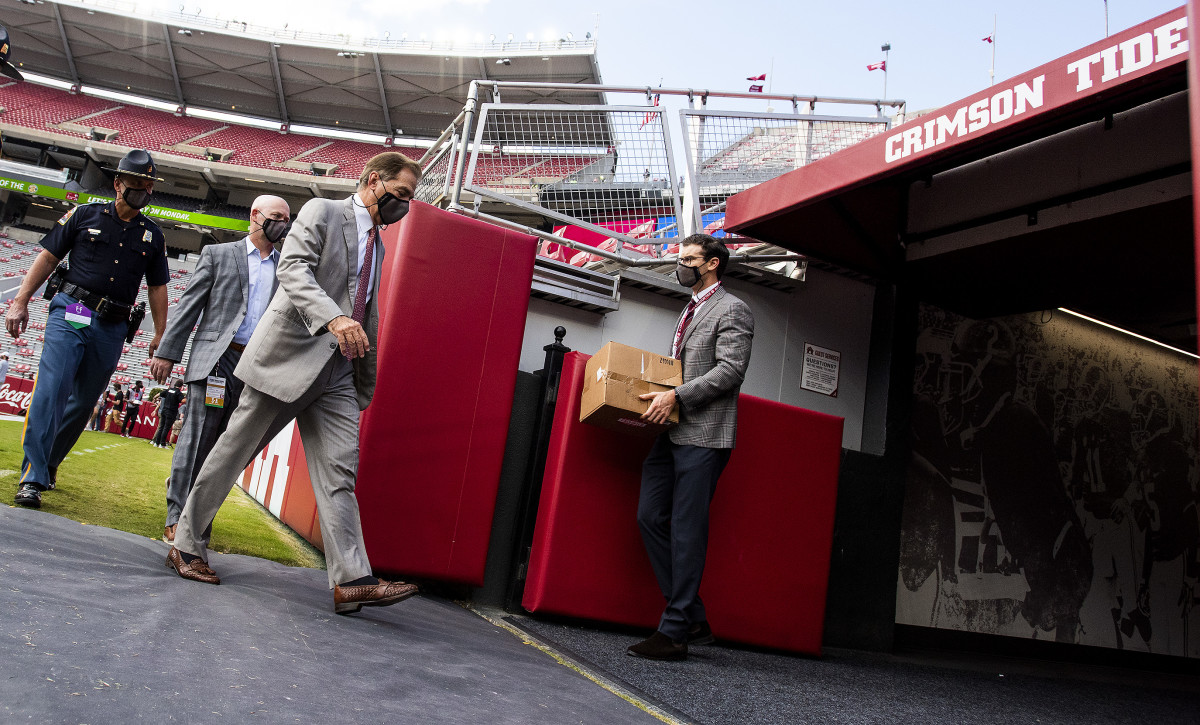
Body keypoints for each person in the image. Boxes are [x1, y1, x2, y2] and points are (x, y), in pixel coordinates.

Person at [165, 152, 421, 614]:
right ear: (372, 181)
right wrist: (335, 318)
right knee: (232, 453)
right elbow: (293, 269)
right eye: (400, 194)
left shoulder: (378, 243)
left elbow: (367, 308)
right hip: (286, 360)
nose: (404, 206)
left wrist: (357, 353)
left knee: (339, 473)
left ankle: (352, 579)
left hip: (339, 371)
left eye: (410, 199)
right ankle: (185, 544)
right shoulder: (323, 211)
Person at [6, 149, 169, 507]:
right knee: (52, 391)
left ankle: (48, 465)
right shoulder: (83, 215)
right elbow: (48, 257)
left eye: (149, 185)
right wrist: (20, 301)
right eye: (138, 184)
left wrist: (160, 335)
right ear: (118, 184)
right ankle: (32, 476)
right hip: (72, 310)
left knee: (82, 404)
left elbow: (157, 288)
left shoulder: (153, 237)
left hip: (112, 325)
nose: (144, 190)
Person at [627, 233, 754, 661]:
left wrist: (676, 397)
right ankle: (694, 616)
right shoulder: (690, 308)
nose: (680, 266)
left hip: (705, 434)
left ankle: (675, 631)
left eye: (688, 260)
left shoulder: (733, 309)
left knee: (686, 529)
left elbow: (731, 371)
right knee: (649, 516)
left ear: (712, 264)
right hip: (672, 430)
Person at [151, 195, 291, 545]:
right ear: (254, 215)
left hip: (256, 366)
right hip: (217, 359)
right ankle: (179, 518)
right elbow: (190, 306)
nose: (282, 224)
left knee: (229, 448)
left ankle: (194, 504)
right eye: (276, 217)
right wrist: (168, 353)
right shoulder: (218, 255)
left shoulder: (289, 265)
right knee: (198, 437)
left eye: (287, 219)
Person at [153, 379, 183, 448]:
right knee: (166, 428)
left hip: (164, 410)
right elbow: (182, 400)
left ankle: (156, 442)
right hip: (171, 412)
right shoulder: (178, 392)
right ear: (181, 387)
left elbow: (160, 394)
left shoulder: (169, 390)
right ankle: (162, 444)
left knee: (161, 427)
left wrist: (154, 397)